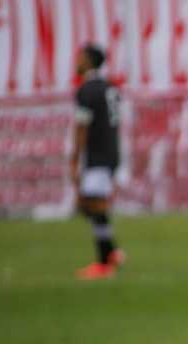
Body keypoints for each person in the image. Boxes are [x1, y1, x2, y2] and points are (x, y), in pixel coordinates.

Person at [70, 44, 124, 280]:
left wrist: (74, 159)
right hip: (111, 151)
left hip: (97, 155)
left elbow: (82, 127)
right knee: (87, 203)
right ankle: (111, 252)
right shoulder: (109, 87)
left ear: (90, 61)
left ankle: (105, 261)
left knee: (92, 203)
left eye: (80, 57)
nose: (77, 61)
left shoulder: (87, 91)